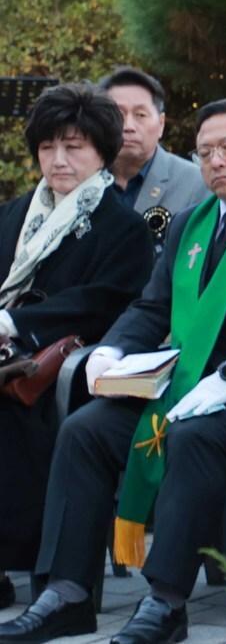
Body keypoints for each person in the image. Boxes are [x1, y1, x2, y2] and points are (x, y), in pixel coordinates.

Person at [0, 98, 226, 644]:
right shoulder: (192, 223)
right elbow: (152, 306)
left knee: (193, 436)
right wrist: (114, 350)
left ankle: (166, 601)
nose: (216, 161)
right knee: (86, 430)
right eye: (204, 152)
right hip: (179, 382)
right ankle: (66, 592)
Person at [0, 85, 152, 607]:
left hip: (66, 365)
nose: (58, 160)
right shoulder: (15, 213)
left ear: (102, 151)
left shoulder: (124, 226)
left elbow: (106, 301)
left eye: (73, 146)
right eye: (47, 147)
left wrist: (14, 322)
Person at [97, 67, 206, 217]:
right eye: (118, 114)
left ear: (161, 124)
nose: (128, 126)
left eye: (140, 115)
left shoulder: (196, 183)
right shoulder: (81, 177)